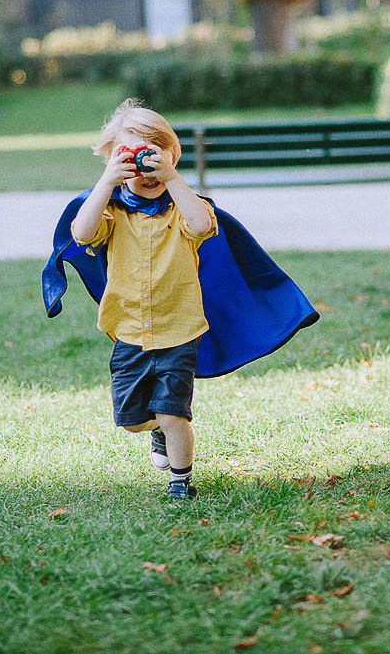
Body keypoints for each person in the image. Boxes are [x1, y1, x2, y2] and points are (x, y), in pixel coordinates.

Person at [47, 99, 318, 500]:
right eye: (132, 159)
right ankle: (155, 431)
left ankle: (180, 482)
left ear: (172, 156)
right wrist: (107, 183)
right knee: (133, 420)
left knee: (174, 413)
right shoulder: (112, 212)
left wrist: (173, 178)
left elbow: (201, 223)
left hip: (178, 330)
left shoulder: (183, 208)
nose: (146, 170)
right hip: (130, 331)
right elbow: (84, 234)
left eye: (154, 155)